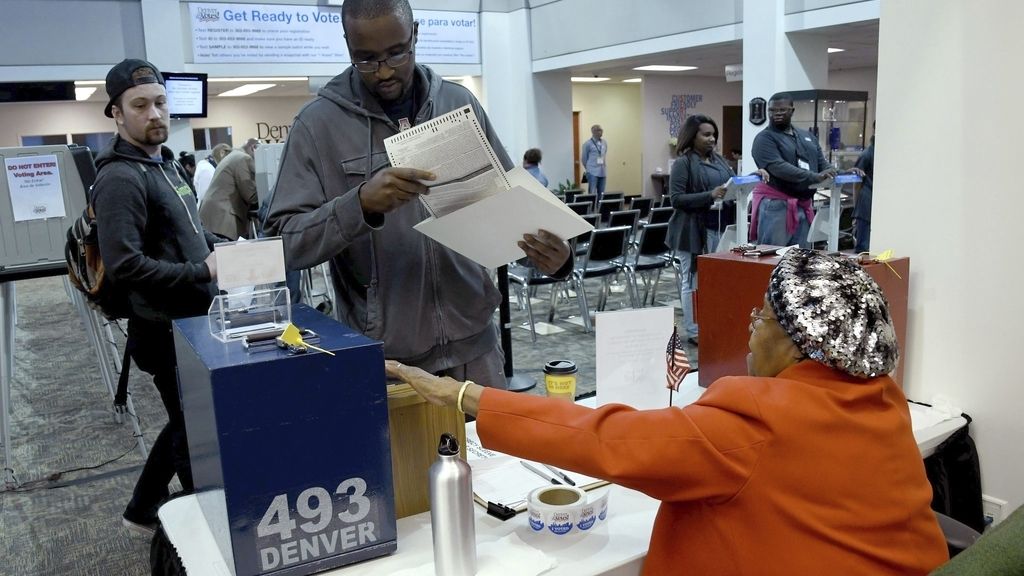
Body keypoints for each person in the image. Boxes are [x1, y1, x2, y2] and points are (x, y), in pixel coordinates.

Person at [387, 248, 948, 576]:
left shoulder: (760, 418)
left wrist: (465, 396)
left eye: (765, 314)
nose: (751, 323)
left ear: (805, 343)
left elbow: (608, 440)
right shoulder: (882, 399)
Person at [264, 0, 571, 390]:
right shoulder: (317, 125)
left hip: (476, 348)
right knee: (403, 455)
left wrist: (554, 257)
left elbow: (511, 205)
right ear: (347, 45)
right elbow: (282, 243)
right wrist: (359, 204)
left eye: (397, 52)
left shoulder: (459, 104)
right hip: (389, 361)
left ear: (416, 34)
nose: (385, 70)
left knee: (487, 453)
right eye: (367, 59)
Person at [91, 59, 220, 535]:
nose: (154, 114)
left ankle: (147, 507)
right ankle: (183, 520)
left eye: (160, 103)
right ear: (117, 114)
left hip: (192, 318)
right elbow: (125, 265)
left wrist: (219, 247)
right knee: (191, 425)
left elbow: (187, 230)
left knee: (190, 419)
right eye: (140, 105)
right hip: (162, 327)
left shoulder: (163, 163)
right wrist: (199, 269)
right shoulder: (120, 177)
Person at [667, 114, 769, 345]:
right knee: (692, 281)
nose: (712, 139)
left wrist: (752, 177)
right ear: (692, 137)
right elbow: (676, 199)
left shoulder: (719, 160)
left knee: (714, 279)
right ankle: (694, 330)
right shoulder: (684, 163)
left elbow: (733, 184)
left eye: (714, 135)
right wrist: (709, 195)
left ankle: (713, 322)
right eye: (706, 134)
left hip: (720, 228)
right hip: (692, 231)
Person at [751, 93, 837, 248]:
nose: (776, 113)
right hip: (777, 205)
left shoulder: (806, 136)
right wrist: (815, 177)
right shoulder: (764, 138)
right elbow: (779, 168)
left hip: (803, 203)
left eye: (782, 110)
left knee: (800, 260)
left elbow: (822, 163)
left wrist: (839, 172)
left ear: (792, 110)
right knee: (772, 257)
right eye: (772, 110)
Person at [199, 138, 259, 240]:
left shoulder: (233, 156)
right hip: (223, 219)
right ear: (253, 148)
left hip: (213, 218)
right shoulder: (244, 158)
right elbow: (251, 195)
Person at [853, 125, 875, 253]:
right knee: (863, 248)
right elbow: (857, 183)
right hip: (866, 204)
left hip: (876, 204)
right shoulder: (867, 154)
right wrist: (856, 208)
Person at [581, 124, 607, 201]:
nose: (601, 132)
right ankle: (591, 210)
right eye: (599, 130)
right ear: (593, 132)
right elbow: (584, 159)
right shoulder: (587, 144)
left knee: (601, 192)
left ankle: (600, 210)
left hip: (602, 171)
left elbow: (604, 153)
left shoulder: (604, 142)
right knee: (592, 192)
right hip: (592, 172)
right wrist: (589, 168)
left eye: (601, 130)